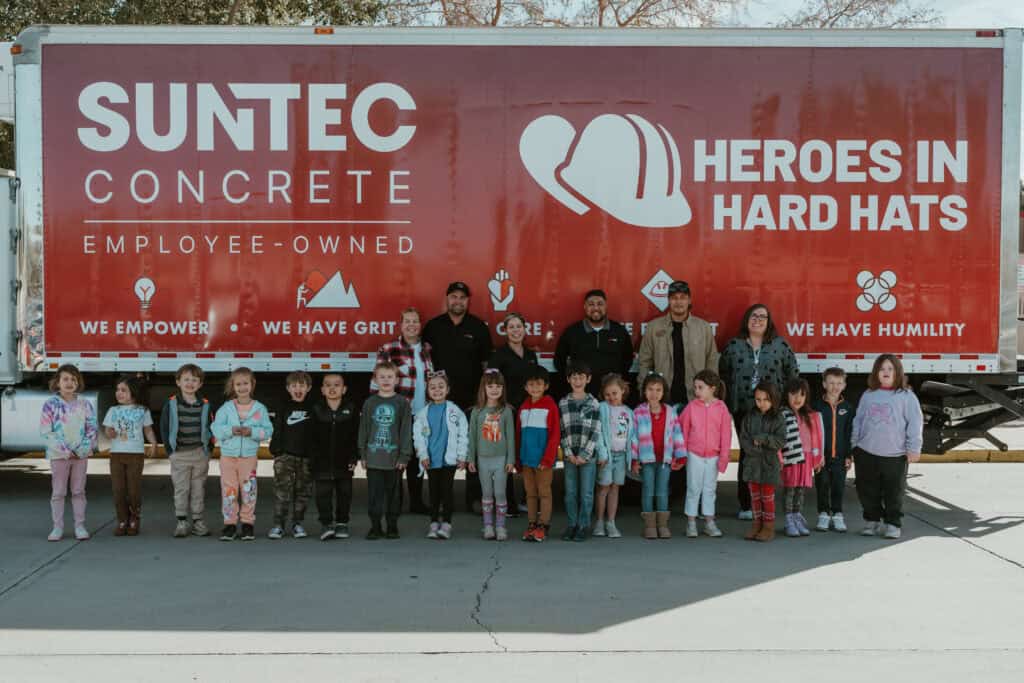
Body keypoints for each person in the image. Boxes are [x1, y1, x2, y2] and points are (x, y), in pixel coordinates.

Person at [719, 304, 799, 520]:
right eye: (753, 316)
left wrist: (789, 403)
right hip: (743, 408)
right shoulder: (734, 346)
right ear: (747, 319)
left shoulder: (780, 345)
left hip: (771, 410)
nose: (757, 320)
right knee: (748, 452)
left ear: (769, 321)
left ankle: (767, 503)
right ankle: (746, 505)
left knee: (769, 453)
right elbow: (723, 374)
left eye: (762, 316)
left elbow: (793, 372)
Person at [423, 282, 493, 512]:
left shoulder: (478, 327)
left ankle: (474, 498)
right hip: (440, 401)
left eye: (462, 297)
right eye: (453, 296)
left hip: (471, 399)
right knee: (441, 448)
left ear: (468, 301)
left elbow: (486, 366)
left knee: (471, 448)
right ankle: (443, 500)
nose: (458, 301)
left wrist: (484, 397)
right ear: (447, 299)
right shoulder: (434, 327)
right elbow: (425, 362)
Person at [852, 354, 923, 541]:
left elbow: (915, 423)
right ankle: (872, 520)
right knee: (867, 489)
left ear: (898, 372)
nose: (886, 372)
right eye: (882, 369)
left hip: (895, 455)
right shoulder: (868, 395)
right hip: (867, 452)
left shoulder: (906, 397)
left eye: (890, 369)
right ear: (876, 373)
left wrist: (914, 447)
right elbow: (858, 419)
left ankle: (893, 523)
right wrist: (855, 443)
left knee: (894, 491)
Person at [373, 307, 434, 514]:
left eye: (415, 321)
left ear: (420, 325)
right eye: (407, 321)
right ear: (401, 325)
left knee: (417, 458)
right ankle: (394, 503)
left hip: (422, 413)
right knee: (396, 457)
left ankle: (416, 502)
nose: (411, 325)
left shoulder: (427, 348)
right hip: (399, 413)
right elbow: (377, 383)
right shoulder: (389, 348)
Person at [211, 367, 273, 542]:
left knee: (249, 490)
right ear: (233, 386)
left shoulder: (259, 408)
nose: (242, 387)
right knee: (229, 490)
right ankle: (229, 523)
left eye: (245, 383)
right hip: (228, 457)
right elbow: (215, 428)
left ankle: (247, 524)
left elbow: (268, 431)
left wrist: (251, 432)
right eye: (238, 384)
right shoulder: (226, 408)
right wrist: (231, 430)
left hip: (248, 457)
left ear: (252, 385)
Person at [487, 311, 539, 516]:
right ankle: (506, 503)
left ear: (525, 330)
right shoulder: (498, 356)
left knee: (527, 454)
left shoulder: (531, 355)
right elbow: (491, 384)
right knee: (505, 457)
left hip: (528, 412)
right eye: (511, 327)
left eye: (519, 326)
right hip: (506, 411)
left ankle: (528, 499)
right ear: (505, 331)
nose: (516, 330)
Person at [40, 364, 98, 542]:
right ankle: (57, 527)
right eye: (65, 379)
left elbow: (92, 428)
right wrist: (65, 451)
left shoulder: (84, 404)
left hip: (80, 456)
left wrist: (81, 450)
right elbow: (46, 431)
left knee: (79, 491)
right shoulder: (50, 405)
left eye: (73, 379)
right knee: (58, 492)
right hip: (59, 456)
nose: (69, 382)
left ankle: (79, 526)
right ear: (57, 382)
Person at [638, 280, 719, 405]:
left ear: (689, 300)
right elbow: (644, 362)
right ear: (669, 300)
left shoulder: (703, 328)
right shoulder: (654, 327)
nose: (679, 302)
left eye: (683, 297)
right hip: (663, 398)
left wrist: (710, 393)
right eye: (674, 298)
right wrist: (644, 392)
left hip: (696, 397)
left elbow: (712, 361)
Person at [359, 362, 413, 540]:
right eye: (382, 377)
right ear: (375, 380)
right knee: (375, 496)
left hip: (394, 460)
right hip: (374, 459)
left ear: (397, 380)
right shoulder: (370, 403)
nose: (386, 380)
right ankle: (375, 527)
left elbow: (406, 430)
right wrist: (363, 453)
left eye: (390, 377)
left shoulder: (402, 403)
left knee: (393, 496)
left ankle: (392, 526)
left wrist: (404, 455)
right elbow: (364, 429)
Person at [630, 372, 686, 540]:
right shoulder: (638, 412)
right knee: (648, 490)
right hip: (647, 460)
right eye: (650, 389)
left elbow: (677, 434)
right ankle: (649, 525)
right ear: (644, 391)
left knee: (662, 491)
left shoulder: (670, 412)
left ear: (664, 392)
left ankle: (662, 525)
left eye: (658, 390)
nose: (654, 393)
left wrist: (681, 456)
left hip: (665, 460)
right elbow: (633, 437)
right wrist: (634, 459)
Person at [413, 371, 469, 540]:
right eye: (433, 387)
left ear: (448, 389)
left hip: (449, 459)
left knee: (447, 491)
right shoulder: (422, 413)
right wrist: (422, 455)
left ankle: (446, 524)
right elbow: (419, 437)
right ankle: (433, 523)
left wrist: (461, 455)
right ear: (428, 391)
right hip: (431, 459)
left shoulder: (454, 410)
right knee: (433, 492)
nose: (437, 390)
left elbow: (463, 433)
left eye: (441, 387)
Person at [160, 364, 213, 538]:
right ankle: (182, 521)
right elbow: (164, 428)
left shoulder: (204, 404)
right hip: (180, 454)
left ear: (200, 384)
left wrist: (208, 450)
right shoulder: (172, 403)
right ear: (178, 382)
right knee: (181, 489)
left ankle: (198, 521)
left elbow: (210, 427)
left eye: (194, 380)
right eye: (186, 379)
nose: (190, 383)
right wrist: (170, 451)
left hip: (199, 453)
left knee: (198, 488)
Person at [679, 370, 732, 539]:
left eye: (700, 387)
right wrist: (681, 453)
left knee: (710, 489)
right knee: (693, 488)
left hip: (713, 456)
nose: (697, 391)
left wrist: (724, 456)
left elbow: (726, 434)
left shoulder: (722, 408)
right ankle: (691, 522)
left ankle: (709, 522)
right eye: (695, 387)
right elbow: (683, 430)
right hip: (694, 454)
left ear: (712, 388)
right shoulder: (691, 407)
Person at [103, 374, 157, 536]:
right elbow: (107, 429)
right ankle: (122, 520)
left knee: (133, 490)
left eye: (123, 390)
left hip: (135, 455)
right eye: (117, 390)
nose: (119, 393)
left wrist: (153, 444)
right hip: (117, 455)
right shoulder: (113, 410)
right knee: (118, 489)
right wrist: (109, 432)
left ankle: (134, 518)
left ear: (133, 392)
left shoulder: (142, 411)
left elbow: (148, 429)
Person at [554, 289, 634, 398]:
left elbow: (628, 358)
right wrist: (575, 381)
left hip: (611, 395)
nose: (596, 308)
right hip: (582, 394)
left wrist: (617, 380)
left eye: (600, 304)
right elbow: (559, 360)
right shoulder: (572, 332)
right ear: (585, 307)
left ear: (606, 306)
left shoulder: (619, 331)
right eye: (591, 304)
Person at [467, 369, 517, 541]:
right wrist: (470, 458)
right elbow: (472, 437)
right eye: (490, 386)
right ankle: (488, 526)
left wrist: (511, 459)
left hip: (501, 459)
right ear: (483, 388)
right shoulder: (477, 411)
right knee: (487, 492)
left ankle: (501, 527)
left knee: (500, 493)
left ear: (503, 389)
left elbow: (510, 437)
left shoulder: (506, 411)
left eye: (498, 386)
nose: (494, 389)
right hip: (483, 459)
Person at [310, 373, 360, 542]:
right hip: (322, 462)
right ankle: (326, 524)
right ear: (322, 390)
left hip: (344, 461)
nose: (332, 388)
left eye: (337, 385)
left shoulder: (351, 409)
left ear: (344, 389)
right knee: (322, 494)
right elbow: (311, 438)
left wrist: (354, 458)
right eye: (328, 385)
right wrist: (313, 459)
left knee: (344, 493)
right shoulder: (316, 409)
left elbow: (355, 436)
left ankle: (342, 522)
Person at [738, 381, 787, 542]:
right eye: (758, 399)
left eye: (766, 399)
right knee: (755, 497)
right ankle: (756, 524)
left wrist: (764, 439)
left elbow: (780, 441)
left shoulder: (778, 418)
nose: (761, 403)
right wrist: (755, 450)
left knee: (767, 497)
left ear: (773, 399)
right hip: (752, 464)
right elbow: (744, 439)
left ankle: (768, 527)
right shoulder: (749, 417)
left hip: (769, 465)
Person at [268, 371, 315, 540]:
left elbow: (317, 434)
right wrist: (277, 451)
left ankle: (297, 523)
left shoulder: (313, 407)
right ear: (288, 388)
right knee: (282, 492)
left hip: (306, 457)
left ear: (308, 388)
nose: (298, 389)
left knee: (303, 492)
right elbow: (278, 429)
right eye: (294, 386)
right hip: (285, 456)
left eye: (302, 385)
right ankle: (278, 525)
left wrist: (314, 454)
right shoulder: (282, 406)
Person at [558, 361, 602, 542]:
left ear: (588, 379)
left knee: (586, 492)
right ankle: (572, 524)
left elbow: (596, 431)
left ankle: (583, 525)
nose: (578, 381)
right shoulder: (563, 403)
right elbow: (561, 430)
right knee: (570, 492)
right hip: (569, 455)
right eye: (574, 377)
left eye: (581, 377)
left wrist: (584, 454)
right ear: (568, 380)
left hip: (588, 456)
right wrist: (568, 453)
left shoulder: (594, 403)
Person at [517, 366, 560, 543]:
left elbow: (554, 435)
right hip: (527, 460)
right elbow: (518, 435)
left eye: (539, 384)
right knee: (530, 494)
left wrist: (548, 458)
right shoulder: (523, 407)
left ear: (546, 386)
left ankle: (543, 525)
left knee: (544, 493)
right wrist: (518, 459)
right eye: (531, 384)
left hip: (543, 461)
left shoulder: (550, 406)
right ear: (526, 387)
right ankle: (532, 523)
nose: (535, 388)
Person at [811, 367, 855, 533]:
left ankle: (837, 514)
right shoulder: (816, 407)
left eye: (838, 383)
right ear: (824, 384)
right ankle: (823, 514)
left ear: (844, 385)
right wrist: (816, 455)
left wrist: (849, 455)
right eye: (831, 383)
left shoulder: (848, 408)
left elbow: (849, 432)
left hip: (840, 457)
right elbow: (813, 433)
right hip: (821, 457)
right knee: (822, 485)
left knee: (838, 486)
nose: (834, 386)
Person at [780, 378, 824, 538]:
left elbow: (816, 438)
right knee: (790, 490)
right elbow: (778, 439)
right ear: (786, 395)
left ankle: (797, 516)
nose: (797, 398)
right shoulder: (782, 415)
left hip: (805, 458)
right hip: (790, 458)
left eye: (802, 395)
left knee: (801, 490)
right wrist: (778, 457)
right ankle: (788, 520)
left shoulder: (809, 416)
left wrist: (817, 458)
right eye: (793, 394)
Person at [593, 373, 633, 539]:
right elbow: (598, 431)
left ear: (623, 391)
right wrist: (602, 453)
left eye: (614, 393)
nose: (611, 397)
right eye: (607, 394)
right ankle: (599, 522)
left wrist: (633, 457)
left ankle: (611, 522)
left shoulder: (629, 412)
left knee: (615, 488)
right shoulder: (602, 407)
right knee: (604, 488)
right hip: (607, 455)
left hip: (621, 455)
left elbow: (632, 436)